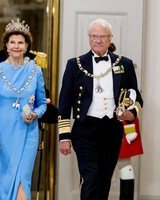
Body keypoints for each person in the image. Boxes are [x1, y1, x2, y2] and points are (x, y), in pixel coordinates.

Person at [58, 18, 143, 200]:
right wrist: (64, 136)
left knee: (104, 180)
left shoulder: (124, 64)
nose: (98, 40)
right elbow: (64, 103)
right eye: (94, 36)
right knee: (91, 179)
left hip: (112, 130)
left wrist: (131, 113)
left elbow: (136, 97)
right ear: (89, 38)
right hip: (84, 130)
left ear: (110, 38)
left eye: (102, 36)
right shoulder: (75, 64)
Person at [0, 19, 46, 200]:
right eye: (12, 42)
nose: (16, 46)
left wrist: (36, 114)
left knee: (22, 181)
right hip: (2, 136)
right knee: (3, 186)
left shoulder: (36, 71)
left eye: (20, 42)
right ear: (6, 45)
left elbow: (42, 103)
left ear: (27, 46)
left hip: (27, 132)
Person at [109, 43, 144, 200]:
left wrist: (130, 131)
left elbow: (131, 107)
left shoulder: (123, 71)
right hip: (100, 129)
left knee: (125, 167)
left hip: (122, 126)